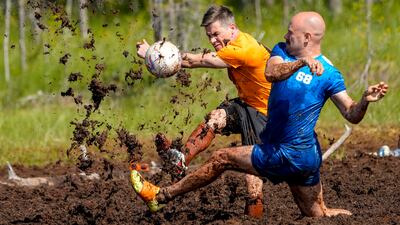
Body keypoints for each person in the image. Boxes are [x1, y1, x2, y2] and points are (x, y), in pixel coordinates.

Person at [130, 11, 389, 217]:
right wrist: (301, 62)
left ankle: (160, 196)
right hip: (294, 151)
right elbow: (271, 73)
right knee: (316, 215)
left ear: (307, 38)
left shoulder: (330, 74)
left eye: (292, 32)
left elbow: (351, 114)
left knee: (222, 158)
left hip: (291, 153)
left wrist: (365, 101)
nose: (286, 34)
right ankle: (181, 160)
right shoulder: (281, 51)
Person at [136, 5, 271, 218]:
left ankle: (254, 217)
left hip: (265, 114)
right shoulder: (235, 42)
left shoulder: (243, 49)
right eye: (209, 36)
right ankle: (180, 160)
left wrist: (154, 55)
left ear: (232, 28)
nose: (212, 41)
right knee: (215, 119)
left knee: (252, 176)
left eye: (216, 34)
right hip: (247, 104)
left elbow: (196, 60)